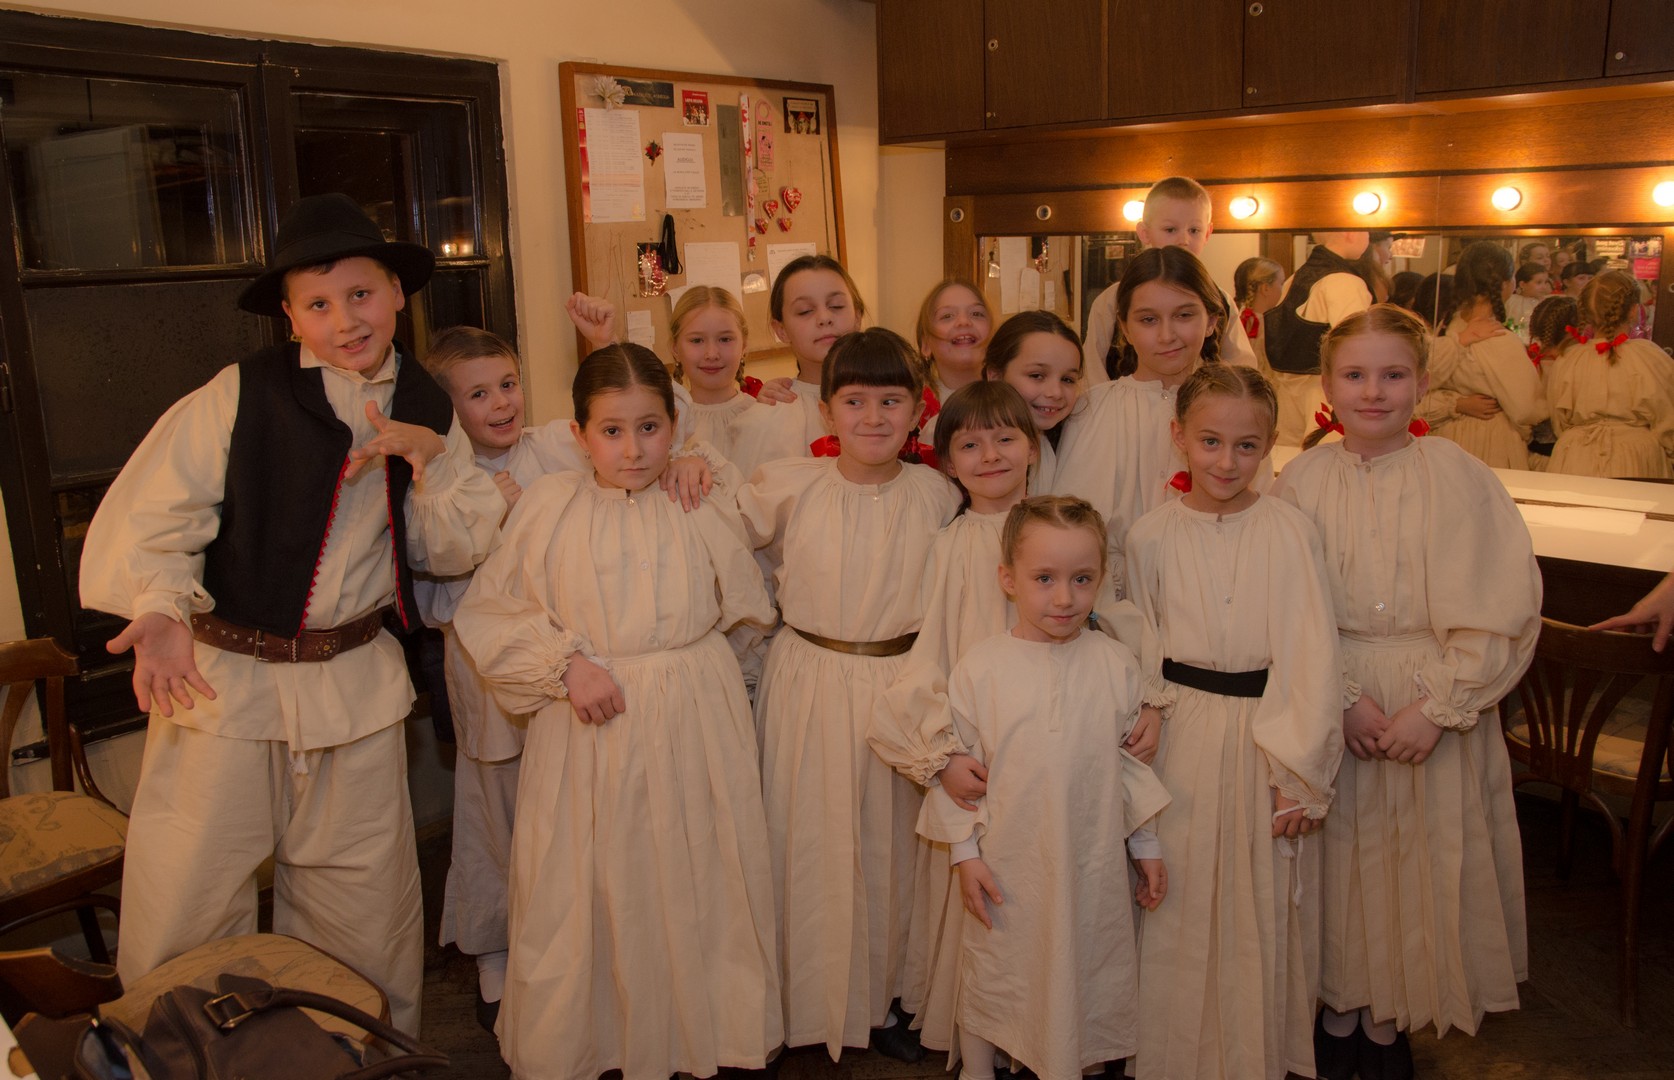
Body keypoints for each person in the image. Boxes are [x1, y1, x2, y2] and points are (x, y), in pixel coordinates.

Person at [79, 192, 504, 1033]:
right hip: (225, 686)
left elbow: (452, 551)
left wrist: (433, 462)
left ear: (397, 294)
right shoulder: (238, 394)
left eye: (361, 294)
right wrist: (160, 608)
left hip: (354, 687)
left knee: (366, 904)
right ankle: (180, 1052)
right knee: (189, 897)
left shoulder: (427, 405)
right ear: (289, 316)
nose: (345, 320)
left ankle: (354, 1051)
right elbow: (157, 519)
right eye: (318, 304)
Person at [453, 344, 779, 1079]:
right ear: (578, 435)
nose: (633, 450)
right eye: (611, 431)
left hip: (693, 712)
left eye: (650, 428)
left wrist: (707, 680)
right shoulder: (548, 507)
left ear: (675, 427)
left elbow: (746, 606)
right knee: (594, 877)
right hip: (588, 720)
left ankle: (702, 1035)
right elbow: (491, 610)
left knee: (698, 868)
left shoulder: (697, 499)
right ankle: (597, 1039)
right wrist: (565, 665)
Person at [416, 325, 716, 1031]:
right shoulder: (451, 476)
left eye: (508, 385)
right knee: (506, 809)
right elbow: (449, 568)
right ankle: (501, 946)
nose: (500, 403)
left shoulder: (554, 446)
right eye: (477, 394)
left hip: (605, 658)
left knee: (598, 824)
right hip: (510, 658)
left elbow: (641, 417)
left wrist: (690, 455)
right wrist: (486, 510)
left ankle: (639, 968)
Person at [1274, 305, 1539, 1080]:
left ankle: (1390, 1021)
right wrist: (1340, 695)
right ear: (1327, 387)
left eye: (1393, 375)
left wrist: (1441, 706)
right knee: (1341, 866)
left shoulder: (1460, 475)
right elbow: (1282, 602)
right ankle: (1338, 1012)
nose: (1374, 392)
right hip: (1337, 691)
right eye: (1355, 375)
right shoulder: (1300, 481)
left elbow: (1503, 602)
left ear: (1422, 382)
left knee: (1416, 863)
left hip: (1430, 693)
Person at [738, 328, 960, 1063]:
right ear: (826, 409)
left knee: (888, 849)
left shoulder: (938, 496)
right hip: (807, 682)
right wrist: (686, 466)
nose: (873, 416)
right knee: (806, 842)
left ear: (918, 410)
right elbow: (725, 549)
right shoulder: (787, 485)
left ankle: (881, 997)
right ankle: (798, 998)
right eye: (855, 400)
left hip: (899, 688)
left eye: (891, 401)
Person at [1126, 364, 1342, 1080]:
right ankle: (1168, 1055)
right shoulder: (1150, 535)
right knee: (1177, 891)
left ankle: (1248, 1054)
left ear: (1270, 446)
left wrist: (1296, 770)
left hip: (1262, 733)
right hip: (1180, 733)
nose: (1226, 461)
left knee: (1256, 895)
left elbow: (1310, 654)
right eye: (1210, 441)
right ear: (1179, 437)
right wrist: (1149, 706)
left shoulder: (1289, 531)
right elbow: (1142, 639)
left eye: (1246, 446)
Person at [918, 495, 1170, 1080]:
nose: (1064, 598)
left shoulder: (1116, 663)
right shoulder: (981, 668)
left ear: (1101, 580)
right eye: (1044, 578)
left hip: (1090, 864)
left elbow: (1129, 768)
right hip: (1008, 865)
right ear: (1008, 579)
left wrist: (1147, 845)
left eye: (1082, 579)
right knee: (996, 970)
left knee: (1085, 965)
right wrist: (964, 856)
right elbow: (960, 780)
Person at [865, 380, 1042, 1056]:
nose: (990, 455)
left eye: (1006, 438)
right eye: (970, 445)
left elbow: (1111, 623)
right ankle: (982, 1038)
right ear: (947, 462)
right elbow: (931, 652)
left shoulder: (1062, 524)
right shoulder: (951, 544)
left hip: (1052, 731)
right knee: (986, 885)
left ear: (1033, 447)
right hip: (979, 741)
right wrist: (940, 753)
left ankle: (1048, 1029)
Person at [1055, 246, 1272, 598]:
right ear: (1124, 327)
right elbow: (1067, 526)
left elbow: (1258, 513)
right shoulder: (1093, 411)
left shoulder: (1237, 411)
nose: (1167, 335)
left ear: (1212, 320)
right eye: (1148, 320)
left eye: (1184, 315)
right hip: (1112, 601)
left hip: (1219, 592)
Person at [1082, 176, 1258, 381]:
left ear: (1208, 233)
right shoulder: (1112, 299)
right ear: (1144, 233)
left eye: (1194, 230)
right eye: (1170, 230)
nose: (1184, 240)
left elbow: (1241, 370)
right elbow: (1092, 371)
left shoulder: (1220, 299)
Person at [727, 254, 865, 479]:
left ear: (857, 317)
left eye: (836, 306)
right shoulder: (766, 421)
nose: (824, 318)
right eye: (805, 311)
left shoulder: (891, 401)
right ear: (781, 330)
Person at [1430, 241, 1549, 469]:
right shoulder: (1497, 337)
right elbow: (1526, 409)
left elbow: (1422, 386)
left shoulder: (1449, 327)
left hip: (1447, 440)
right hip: (1491, 440)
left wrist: (1455, 403)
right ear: (1505, 283)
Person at [1546, 270, 1674, 478]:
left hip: (1575, 456)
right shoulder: (1648, 356)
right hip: (1635, 458)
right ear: (1633, 311)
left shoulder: (1568, 358)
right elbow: (1668, 418)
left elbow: (1558, 419)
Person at [1264, 231, 1375, 446]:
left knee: (1287, 456)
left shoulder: (1295, 278)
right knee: (1331, 458)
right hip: (1323, 391)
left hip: (1287, 390)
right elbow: (1359, 345)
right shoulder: (1343, 281)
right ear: (1351, 233)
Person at [980, 311, 1084, 493]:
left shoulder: (1060, 442)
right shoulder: (958, 432)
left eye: (1067, 379)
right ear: (995, 376)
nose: (1056, 393)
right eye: (1037, 375)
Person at [669, 285, 761, 461]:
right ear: (675, 349)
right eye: (697, 340)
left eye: (725, 339)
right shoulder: (667, 423)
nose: (711, 354)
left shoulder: (760, 415)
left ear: (743, 346)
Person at [917, 278, 993, 399]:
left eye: (976, 314)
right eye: (947, 316)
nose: (964, 321)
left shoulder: (1014, 400)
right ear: (926, 344)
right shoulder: (913, 406)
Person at [1233, 256, 1286, 373]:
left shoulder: (1235, 319)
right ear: (1265, 288)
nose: (1284, 289)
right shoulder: (1270, 327)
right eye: (1281, 283)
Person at [1505, 262, 1553, 332]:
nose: (1544, 287)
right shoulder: (1512, 301)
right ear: (1522, 284)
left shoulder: (1545, 303)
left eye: (1545, 282)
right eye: (1539, 282)